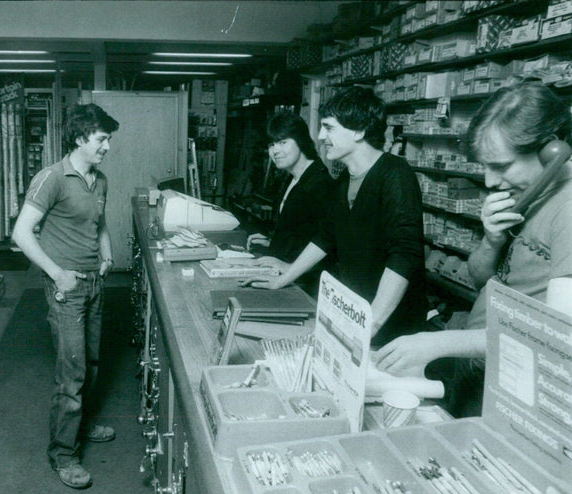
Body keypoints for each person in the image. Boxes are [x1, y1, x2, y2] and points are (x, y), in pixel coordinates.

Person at [373, 83, 572, 417]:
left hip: (519, 381)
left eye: (501, 166)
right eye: (486, 166)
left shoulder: (568, 208)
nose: (491, 181)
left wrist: (438, 343)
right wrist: (493, 239)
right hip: (483, 360)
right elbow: (480, 280)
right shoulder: (530, 194)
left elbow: (558, 335)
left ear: (552, 150)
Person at [241, 86, 427, 348]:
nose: (319, 136)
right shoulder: (343, 181)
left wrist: (369, 325)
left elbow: (405, 255)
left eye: (328, 128)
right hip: (355, 317)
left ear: (359, 130)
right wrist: (284, 278)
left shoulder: (395, 174)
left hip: (391, 330)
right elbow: (325, 237)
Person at [12, 103, 119, 489]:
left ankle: (81, 426)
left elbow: (99, 222)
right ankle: (62, 454)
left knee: (90, 363)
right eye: (101, 139)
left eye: (108, 139)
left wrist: (106, 253)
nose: (107, 146)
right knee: (71, 374)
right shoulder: (51, 178)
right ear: (79, 138)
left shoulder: (100, 180)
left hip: (94, 283)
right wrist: (57, 274)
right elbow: (21, 233)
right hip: (67, 289)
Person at [245, 111, 338, 296]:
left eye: (283, 142)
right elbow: (304, 231)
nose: (275, 151)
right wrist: (274, 241)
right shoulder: (293, 178)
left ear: (301, 140)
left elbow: (330, 244)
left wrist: (289, 266)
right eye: (271, 144)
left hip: (305, 287)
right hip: (288, 278)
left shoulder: (320, 183)